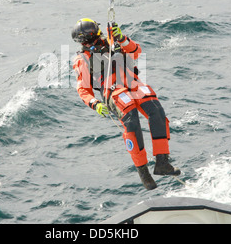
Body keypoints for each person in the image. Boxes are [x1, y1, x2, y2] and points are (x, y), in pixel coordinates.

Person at [71, 18, 180, 190]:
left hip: (134, 84)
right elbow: (83, 89)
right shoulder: (82, 59)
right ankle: (143, 172)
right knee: (132, 120)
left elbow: (136, 52)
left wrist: (122, 38)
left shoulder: (114, 40)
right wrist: (95, 103)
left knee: (157, 111)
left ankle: (162, 162)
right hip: (113, 91)